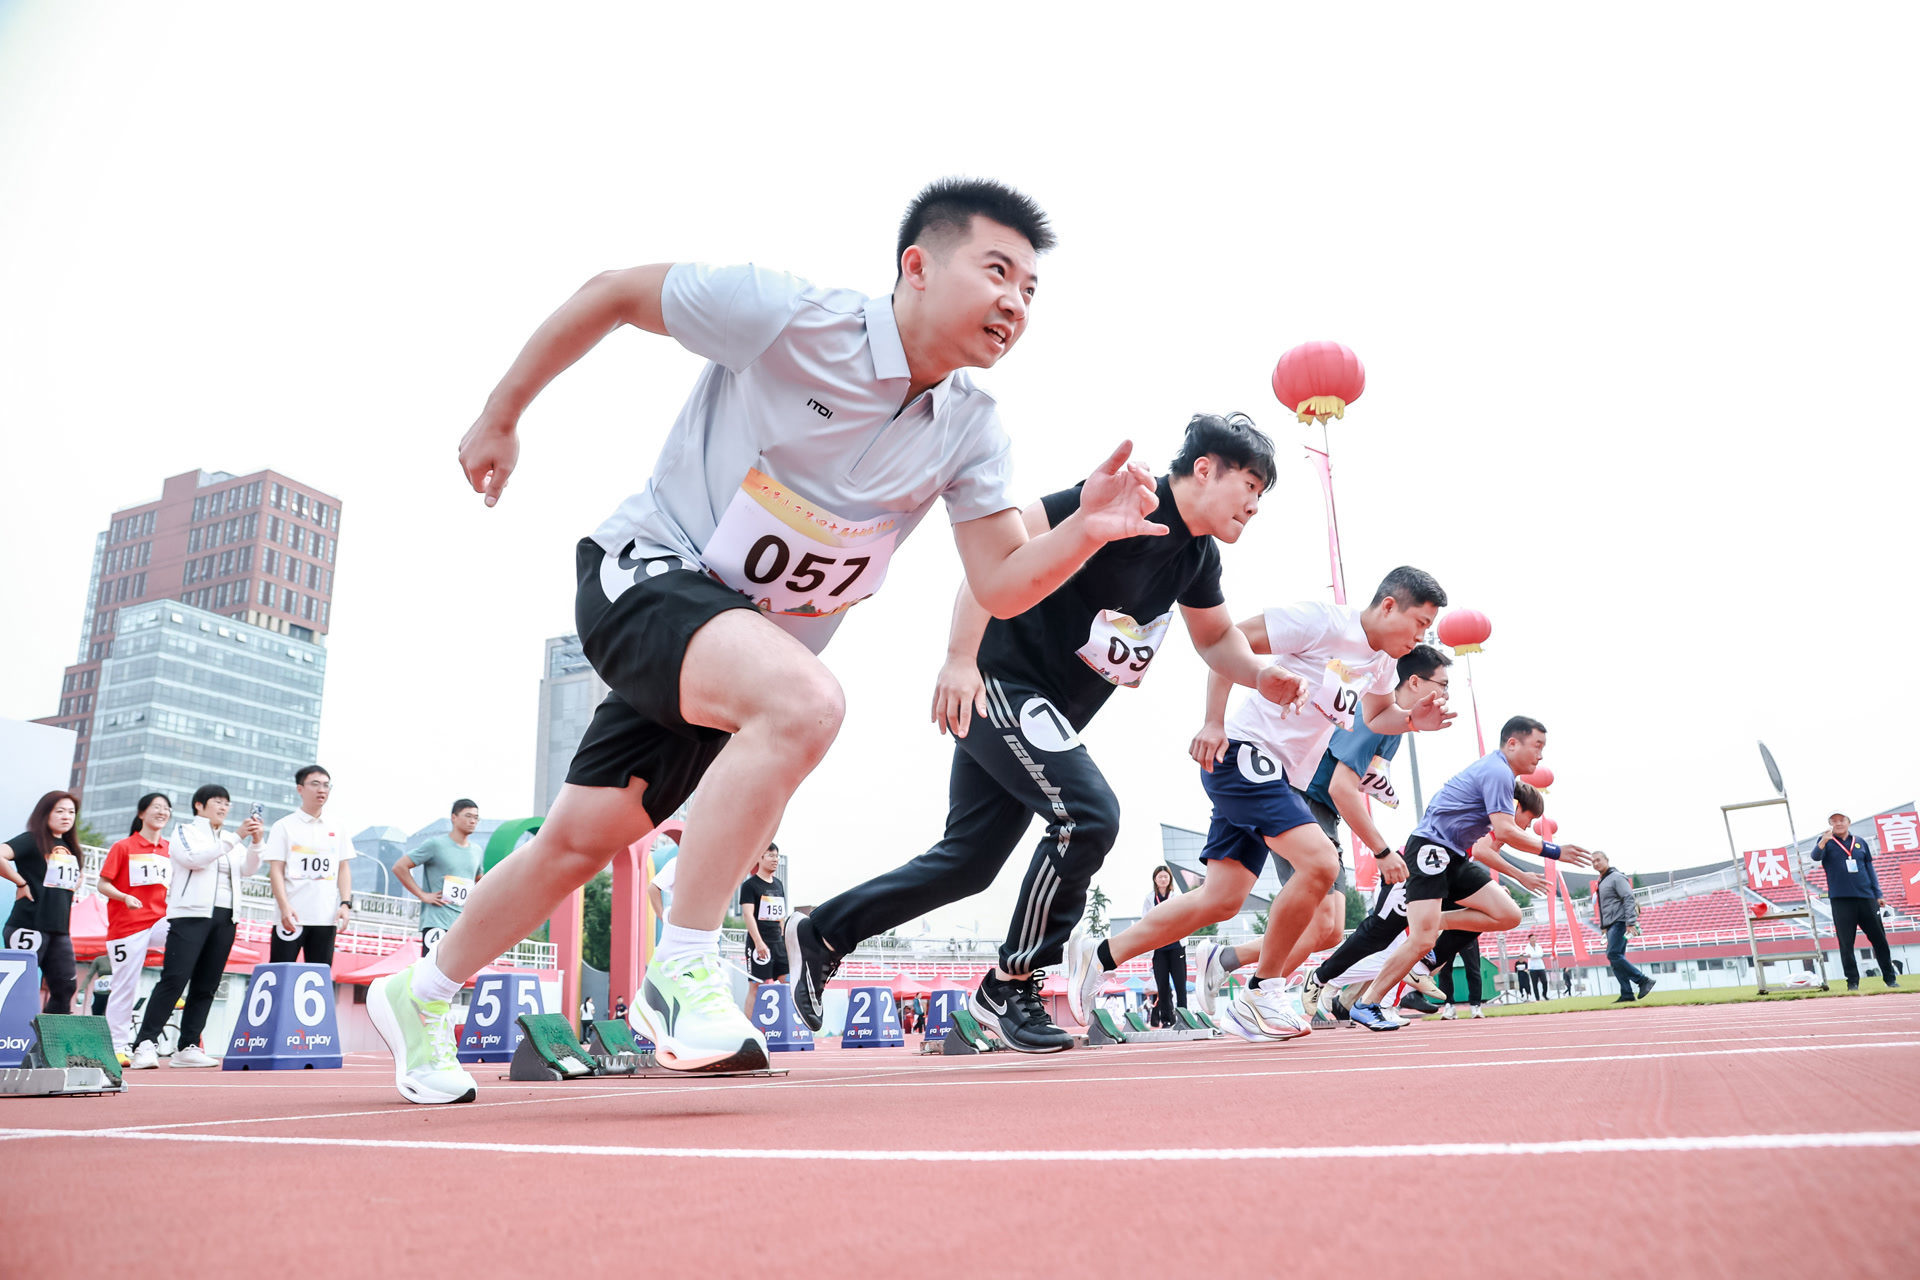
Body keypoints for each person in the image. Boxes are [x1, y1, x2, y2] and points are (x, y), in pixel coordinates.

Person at [372, 177, 1169, 1102]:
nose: (1016, 303)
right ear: (917, 265)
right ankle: (682, 969)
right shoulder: (791, 317)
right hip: (648, 574)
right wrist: (502, 413)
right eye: (997, 272)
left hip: (733, 652)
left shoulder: (972, 430)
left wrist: (1085, 533)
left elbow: (999, 581)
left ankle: (420, 993)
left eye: (1030, 289)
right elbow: (615, 292)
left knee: (580, 840)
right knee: (806, 703)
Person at [787, 412, 1298, 1053]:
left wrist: (1259, 673)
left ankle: (824, 932)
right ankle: (1011, 983)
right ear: (1205, 469)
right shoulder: (1123, 498)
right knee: (1089, 815)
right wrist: (959, 658)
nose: (1254, 505)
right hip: (1000, 685)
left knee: (968, 862)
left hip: (1045, 715)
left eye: (1261, 494)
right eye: (1250, 485)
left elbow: (1217, 638)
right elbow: (993, 559)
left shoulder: (1197, 557)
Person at [1066, 569, 1453, 1042]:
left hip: (1278, 775)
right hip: (1244, 754)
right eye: (1420, 623)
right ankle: (1261, 991)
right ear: (1389, 606)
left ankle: (1100, 955)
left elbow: (1375, 714)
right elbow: (1226, 643)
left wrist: (1412, 720)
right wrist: (1213, 722)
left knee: (1220, 899)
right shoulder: (1322, 622)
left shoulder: (1382, 663)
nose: (1421, 637)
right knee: (1321, 862)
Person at [1187, 643, 1457, 1015]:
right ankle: (1258, 1001)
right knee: (1318, 925)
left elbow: (1351, 781)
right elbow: (1340, 788)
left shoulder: (1392, 725)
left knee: (1329, 931)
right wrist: (1381, 852)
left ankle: (1229, 961)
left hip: (1322, 811)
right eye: (1443, 685)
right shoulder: (1375, 715)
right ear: (1414, 682)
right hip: (1303, 802)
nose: (1446, 695)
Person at [1331, 717, 1591, 1031]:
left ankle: (1430, 928)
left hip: (1454, 856)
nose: (1540, 755)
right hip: (1430, 849)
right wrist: (1554, 851)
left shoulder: (1502, 775)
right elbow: (1505, 831)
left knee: (1508, 914)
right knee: (1420, 940)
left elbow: (1497, 835)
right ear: (1512, 743)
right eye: (1537, 746)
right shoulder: (1497, 771)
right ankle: (1364, 1001)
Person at [1306, 787, 1549, 1027]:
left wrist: (1492, 891)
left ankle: (1395, 991)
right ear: (1516, 807)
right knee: (1382, 942)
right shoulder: (1494, 822)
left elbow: (1472, 863)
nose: (1528, 827)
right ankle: (1329, 978)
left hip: (1436, 880)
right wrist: (1521, 875)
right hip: (1408, 876)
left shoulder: (1494, 828)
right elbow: (1480, 850)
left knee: (1417, 948)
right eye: (1529, 819)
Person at [130, 785, 264, 1068]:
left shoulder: (230, 840)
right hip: (190, 915)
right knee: (174, 979)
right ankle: (145, 1043)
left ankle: (188, 1045)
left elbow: (249, 869)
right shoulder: (185, 832)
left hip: (226, 917)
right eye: (217, 801)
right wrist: (236, 837)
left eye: (227, 803)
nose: (223, 807)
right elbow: (193, 859)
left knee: (207, 984)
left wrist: (255, 842)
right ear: (199, 806)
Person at [97, 793, 175, 1055]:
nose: (162, 812)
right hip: (128, 926)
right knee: (124, 986)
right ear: (142, 813)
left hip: (160, 921)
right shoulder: (123, 847)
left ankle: (175, 987)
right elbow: (103, 884)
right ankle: (117, 1047)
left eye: (166, 808)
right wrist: (124, 897)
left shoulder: (170, 850)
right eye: (156, 807)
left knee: (190, 935)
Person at [1, 791, 84, 1016]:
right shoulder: (32, 840)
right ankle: (11, 1033)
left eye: (71, 812)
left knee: (65, 987)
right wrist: (20, 882)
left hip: (59, 929)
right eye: (60, 811)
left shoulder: (72, 848)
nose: (66, 816)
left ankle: (47, 1035)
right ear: (45, 813)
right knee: (19, 988)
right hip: (28, 924)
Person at [263, 766, 351, 965]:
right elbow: (276, 870)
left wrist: (345, 903)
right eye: (315, 784)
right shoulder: (283, 826)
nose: (322, 790)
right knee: (281, 973)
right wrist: (284, 907)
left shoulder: (338, 827)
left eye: (326, 785)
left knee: (318, 975)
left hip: (325, 918)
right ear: (300, 789)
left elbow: (343, 868)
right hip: (291, 917)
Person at [1811, 811, 1898, 991]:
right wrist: (1823, 841)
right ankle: (1852, 982)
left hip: (1866, 897)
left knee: (1880, 940)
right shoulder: (1826, 842)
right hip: (1841, 900)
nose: (1838, 823)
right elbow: (1815, 856)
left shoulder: (1860, 842)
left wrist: (1878, 894)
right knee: (1846, 943)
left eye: (1841, 820)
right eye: (1834, 821)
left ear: (1848, 822)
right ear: (1830, 824)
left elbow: (1869, 868)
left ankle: (1890, 979)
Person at [394, 799, 484, 950]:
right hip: (437, 922)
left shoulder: (477, 850)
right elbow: (400, 867)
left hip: (463, 923)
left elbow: (479, 879)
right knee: (433, 964)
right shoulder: (435, 845)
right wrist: (422, 895)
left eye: (476, 817)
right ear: (454, 817)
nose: (472, 821)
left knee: (459, 965)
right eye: (468, 816)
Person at [1589, 851, 1654, 1002]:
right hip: (1611, 924)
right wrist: (1603, 926)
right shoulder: (1602, 881)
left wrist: (1630, 922)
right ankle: (1626, 992)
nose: (1596, 863)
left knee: (1613, 954)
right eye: (1593, 862)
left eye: (1598, 860)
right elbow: (1604, 906)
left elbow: (1628, 898)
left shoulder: (1616, 877)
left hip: (1620, 922)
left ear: (1606, 860)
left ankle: (1642, 980)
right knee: (1615, 957)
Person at [739, 843, 788, 986]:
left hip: (778, 944)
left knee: (788, 983)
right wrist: (758, 942)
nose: (775, 859)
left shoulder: (778, 884)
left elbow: (780, 915)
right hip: (759, 944)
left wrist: (783, 937)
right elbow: (748, 915)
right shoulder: (750, 885)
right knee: (757, 987)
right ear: (759, 858)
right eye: (771, 856)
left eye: (777, 856)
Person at [1142, 866, 1185, 1027]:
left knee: (1180, 985)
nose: (1163, 879)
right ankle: (1166, 1019)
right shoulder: (1149, 898)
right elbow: (1145, 920)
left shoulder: (1176, 897)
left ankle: (1183, 1017)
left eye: (1166, 876)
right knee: (1163, 986)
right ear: (1155, 879)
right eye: (1160, 876)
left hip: (1176, 945)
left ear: (1170, 879)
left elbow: (1183, 916)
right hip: (1159, 947)